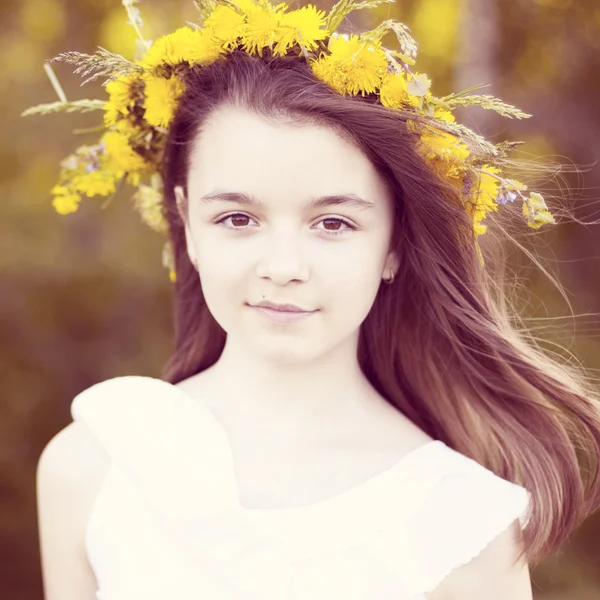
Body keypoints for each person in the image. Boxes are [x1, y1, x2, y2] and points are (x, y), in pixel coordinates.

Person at [29, 1, 600, 599]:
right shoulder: (95, 466)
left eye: (332, 224)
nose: (283, 268)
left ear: (394, 245)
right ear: (187, 225)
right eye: (237, 217)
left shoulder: (465, 528)